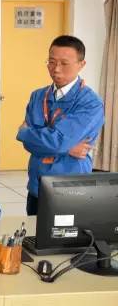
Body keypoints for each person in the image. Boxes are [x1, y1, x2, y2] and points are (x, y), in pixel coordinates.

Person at [17, 35, 104, 215]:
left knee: (68, 233)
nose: (56, 69)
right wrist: (68, 149)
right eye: (51, 62)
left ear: (81, 64)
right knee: (35, 231)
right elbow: (29, 144)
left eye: (64, 63)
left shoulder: (91, 103)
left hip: (70, 187)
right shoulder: (38, 96)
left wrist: (25, 132)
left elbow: (58, 141)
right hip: (37, 184)